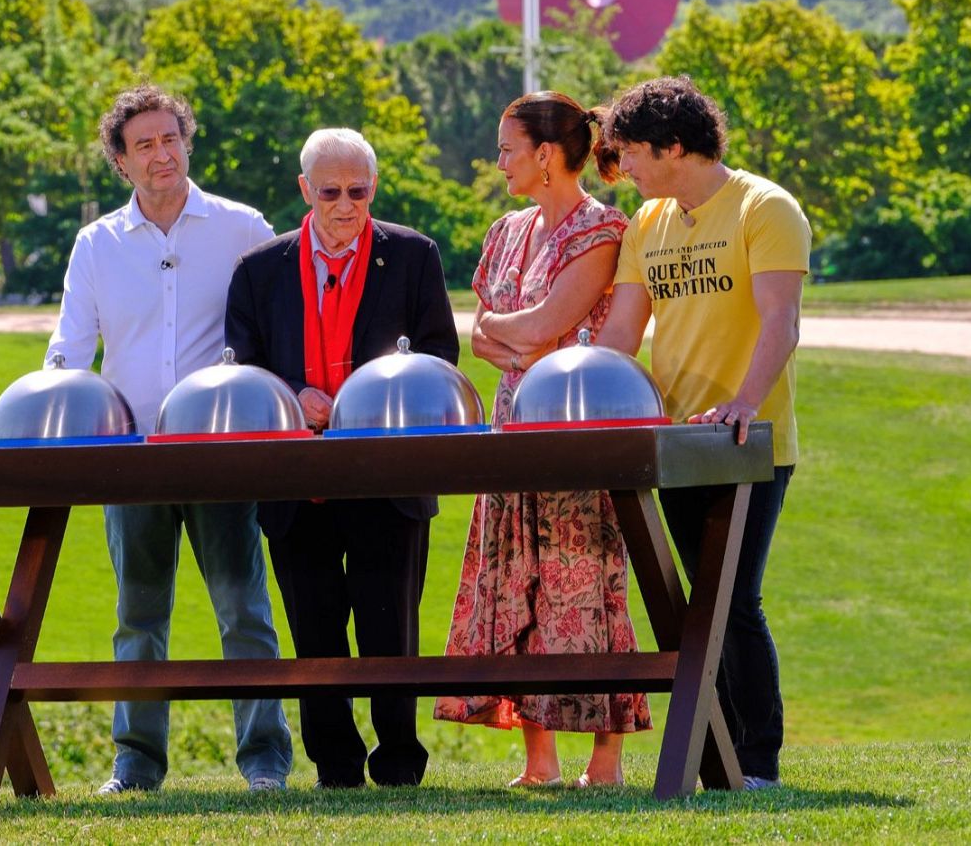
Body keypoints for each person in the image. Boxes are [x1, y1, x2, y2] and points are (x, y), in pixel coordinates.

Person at [46, 84, 293, 794]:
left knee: (244, 611)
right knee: (139, 617)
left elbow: (281, 330)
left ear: (187, 143)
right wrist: (50, 406)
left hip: (222, 454)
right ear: (121, 162)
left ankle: (265, 763)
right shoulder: (96, 245)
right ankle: (135, 765)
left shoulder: (243, 227)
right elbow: (70, 349)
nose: (161, 154)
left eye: (170, 139)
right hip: (130, 461)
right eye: (144, 145)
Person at [594, 75, 811, 791]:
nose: (623, 166)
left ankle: (758, 762)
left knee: (733, 601)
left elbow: (781, 320)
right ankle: (717, 760)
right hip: (674, 446)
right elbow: (621, 334)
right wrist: (576, 394)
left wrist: (744, 403)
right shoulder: (647, 222)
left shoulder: (764, 207)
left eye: (631, 152)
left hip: (749, 441)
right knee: (698, 609)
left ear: (673, 146)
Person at [225, 128, 458, 789]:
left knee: (391, 628)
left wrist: (370, 398)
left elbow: (440, 355)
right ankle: (335, 767)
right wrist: (291, 395)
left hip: (389, 479)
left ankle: (399, 762)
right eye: (331, 192)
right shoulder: (258, 269)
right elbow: (241, 367)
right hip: (296, 484)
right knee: (315, 630)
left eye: (359, 191)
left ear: (373, 187)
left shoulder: (413, 256)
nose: (347, 205)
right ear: (305, 190)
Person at [432, 92, 651, 789]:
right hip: (512, 428)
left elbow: (536, 326)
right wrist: (525, 337)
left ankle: (606, 762)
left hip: (579, 427)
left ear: (546, 155)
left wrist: (523, 334)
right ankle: (539, 762)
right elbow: (484, 336)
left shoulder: (602, 231)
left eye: (508, 149)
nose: (499, 161)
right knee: (516, 580)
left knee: (587, 584)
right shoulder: (505, 231)